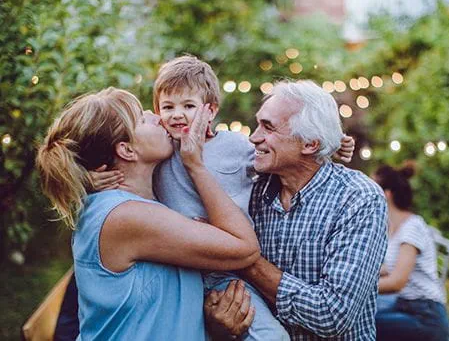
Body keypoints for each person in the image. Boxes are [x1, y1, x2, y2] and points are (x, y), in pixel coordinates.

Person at [87, 55, 354, 341]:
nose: (177, 115)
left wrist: (325, 145)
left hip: (228, 270)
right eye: (167, 108)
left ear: (210, 110)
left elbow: (279, 155)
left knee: (271, 336)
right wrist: (88, 179)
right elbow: (104, 156)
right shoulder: (163, 151)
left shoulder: (234, 146)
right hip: (184, 264)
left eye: (188, 106)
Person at [37, 87, 260, 340]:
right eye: (142, 118)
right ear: (127, 151)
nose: (157, 117)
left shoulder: (128, 206)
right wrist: (194, 164)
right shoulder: (125, 216)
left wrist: (212, 326)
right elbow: (245, 248)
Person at [204, 80, 388, 340]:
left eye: (268, 127)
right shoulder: (250, 189)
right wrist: (220, 322)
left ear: (310, 144)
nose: (254, 137)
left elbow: (332, 314)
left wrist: (240, 254)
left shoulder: (358, 198)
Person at [372, 163, 449, 341]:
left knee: (357, 324)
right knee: (359, 314)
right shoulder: (394, 227)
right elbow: (386, 268)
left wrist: (353, 288)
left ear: (386, 194)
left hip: (426, 317)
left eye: (371, 187)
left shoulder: (411, 227)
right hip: (406, 306)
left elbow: (397, 282)